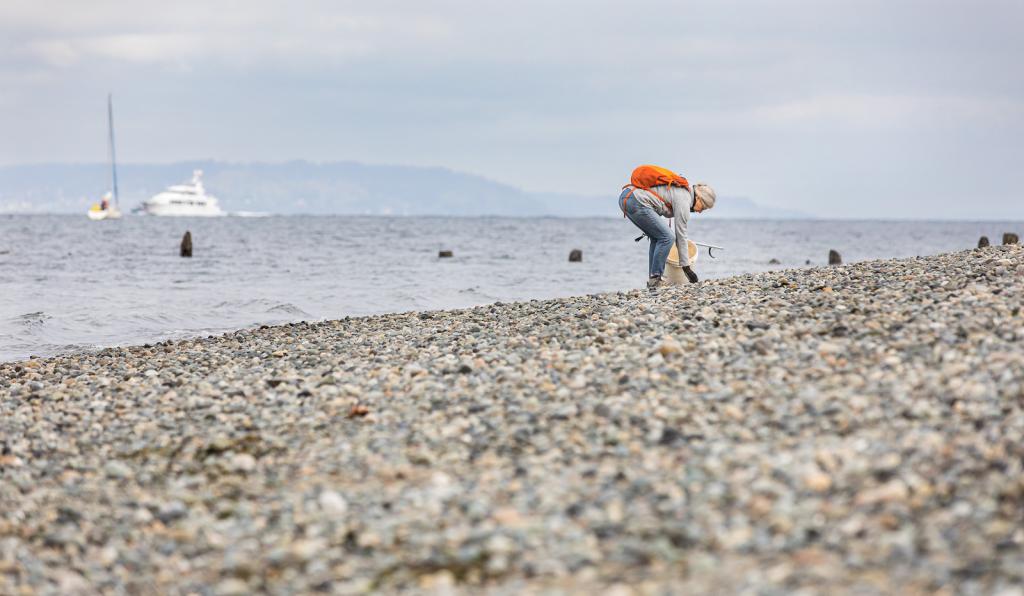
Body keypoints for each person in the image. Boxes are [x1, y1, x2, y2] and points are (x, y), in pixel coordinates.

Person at [618, 165, 716, 288]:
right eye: (703, 207)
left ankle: (653, 280)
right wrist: (687, 268)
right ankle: (656, 279)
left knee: (657, 238)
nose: (701, 211)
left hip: (626, 197)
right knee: (668, 237)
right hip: (636, 200)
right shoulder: (685, 199)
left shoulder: (682, 191)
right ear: (700, 199)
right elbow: (681, 235)